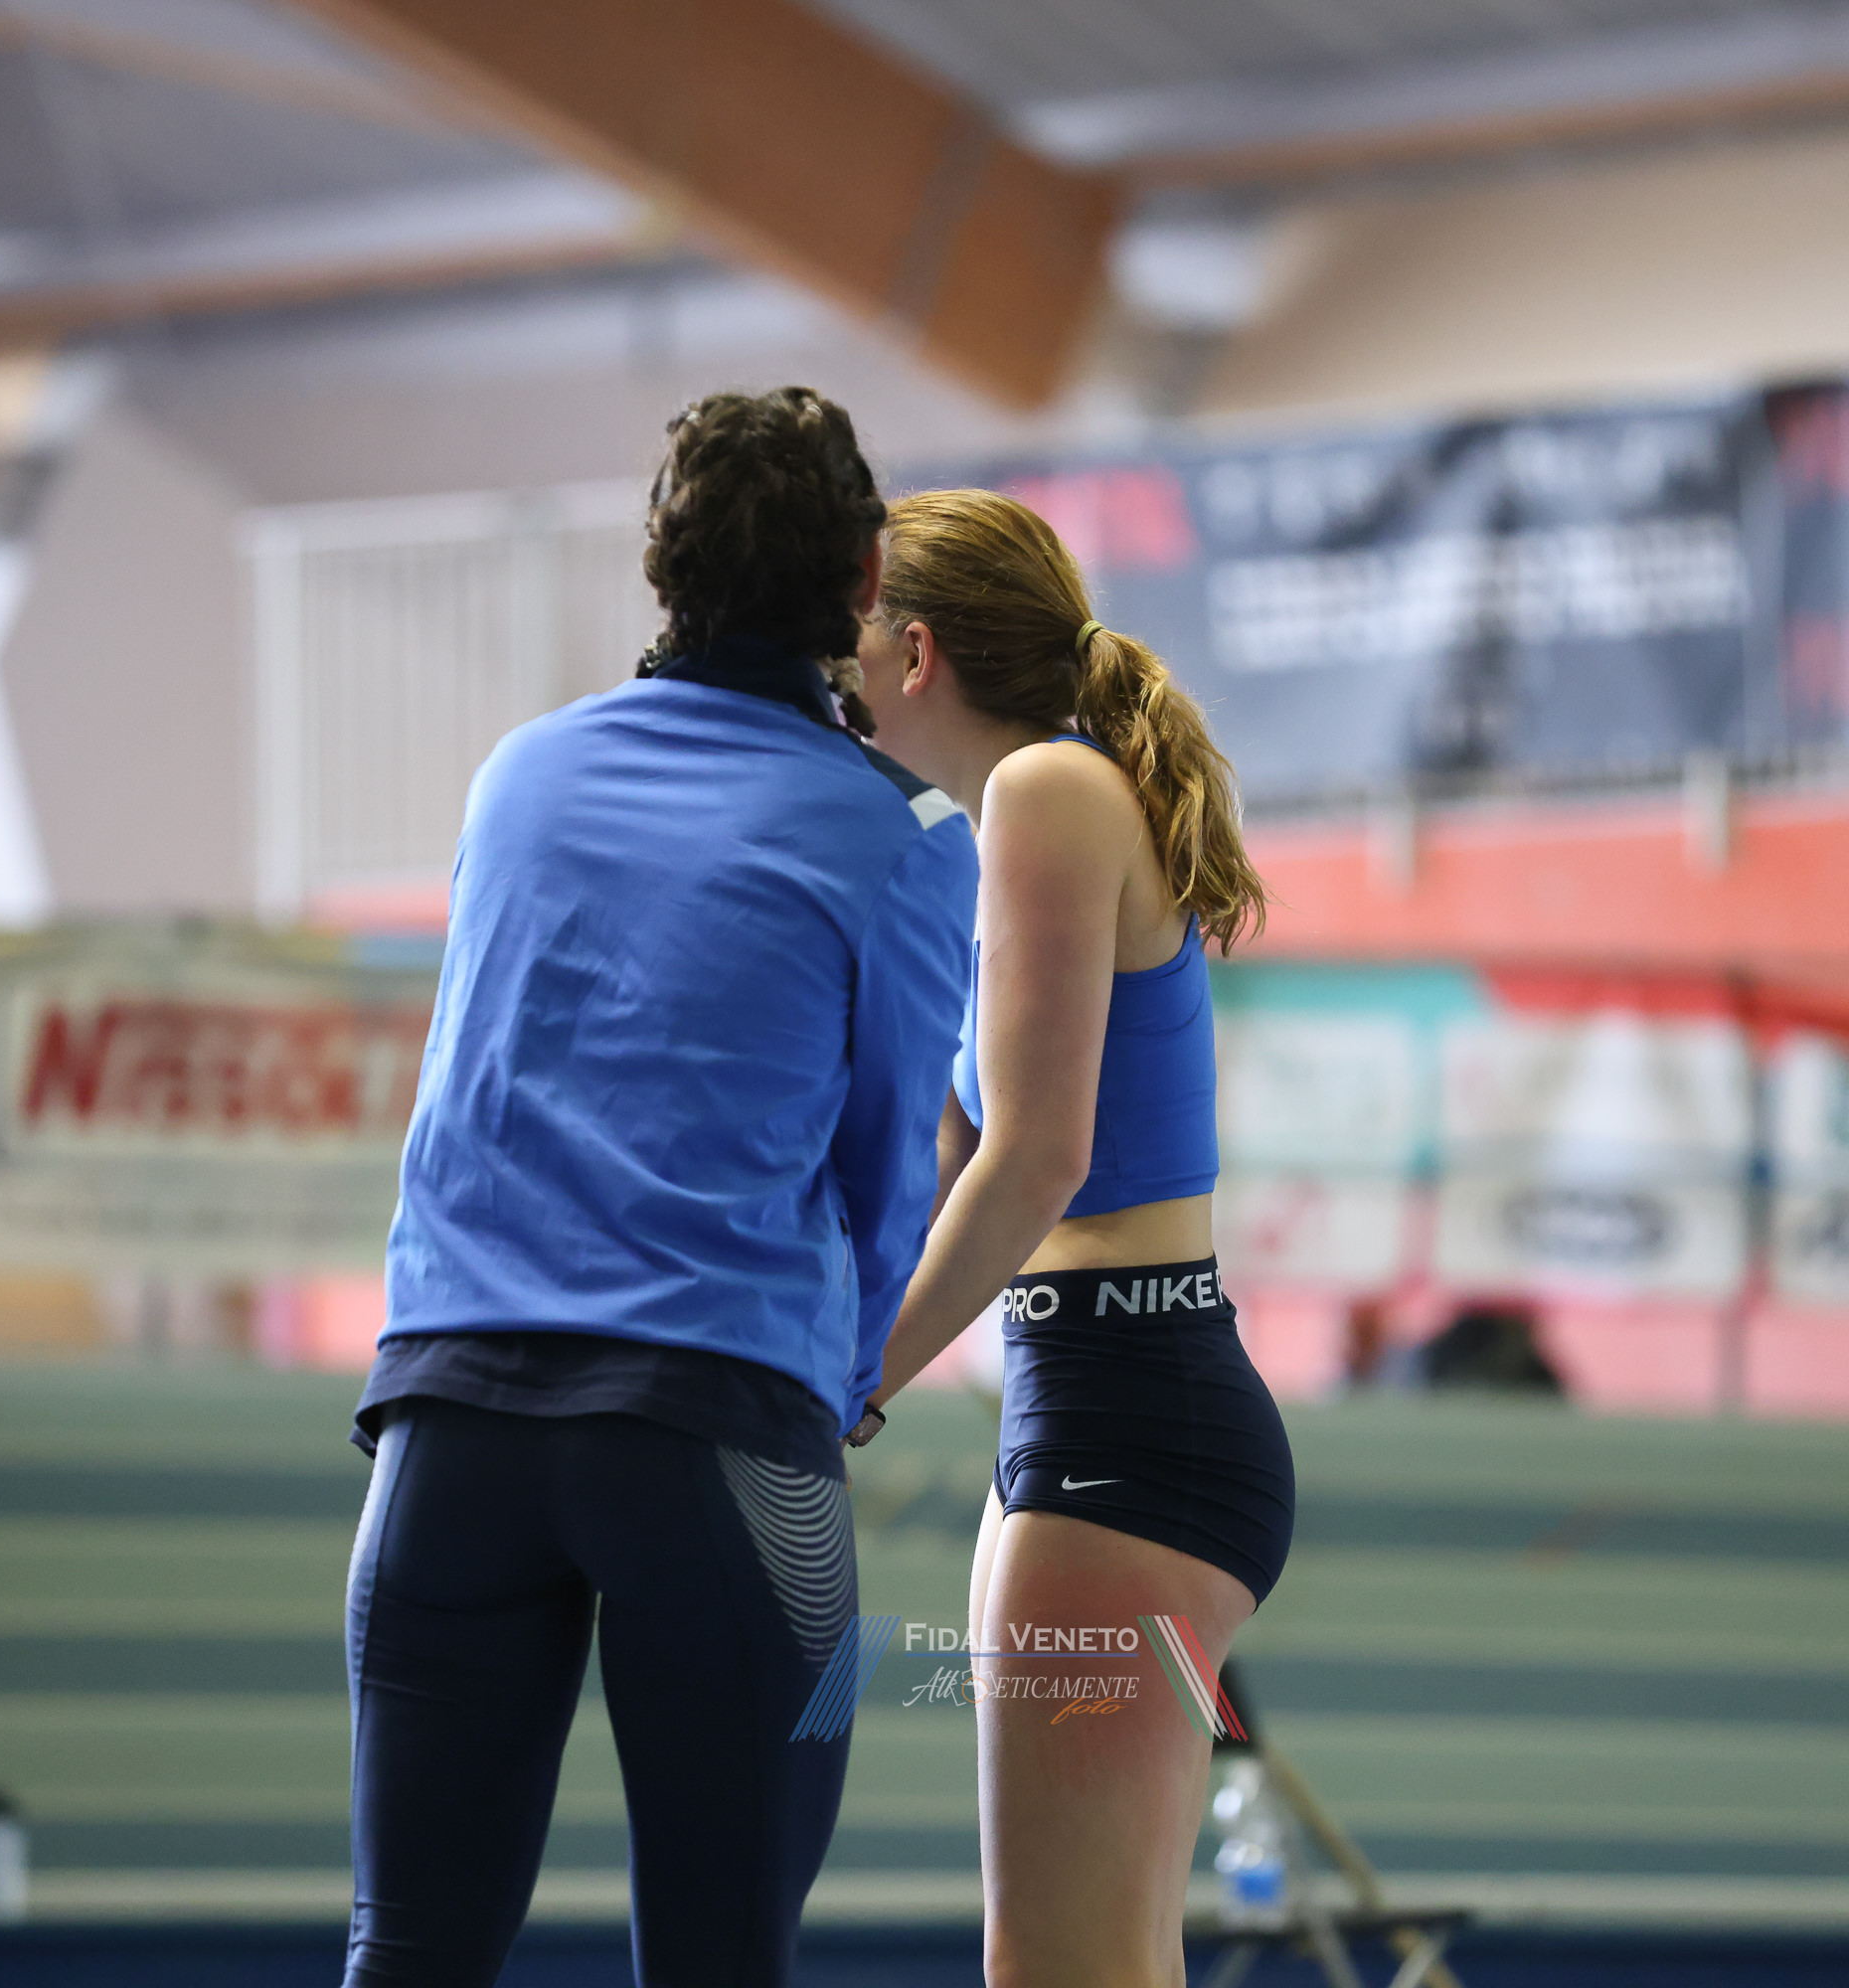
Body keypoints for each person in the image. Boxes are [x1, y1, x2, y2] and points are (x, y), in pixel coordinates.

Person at [339, 388, 978, 1988]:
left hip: (446, 1432)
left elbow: (475, 1077)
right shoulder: (907, 829)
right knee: (723, 1960)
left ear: (659, 568)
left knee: (404, 1955)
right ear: (863, 580)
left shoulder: (516, 777)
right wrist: (848, 1382)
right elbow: (891, 1169)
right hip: (727, 1440)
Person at [853, 488, 1289, 1988]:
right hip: (1090, 1410)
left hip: (1128, 1418)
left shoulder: (1050, 788)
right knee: (1090, 1962)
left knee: (1059, 1967)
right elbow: (954, 1157)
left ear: (916, 653)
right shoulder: (999, 821)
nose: (827, 676)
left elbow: (1042, 1157)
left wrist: (850, 1384)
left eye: (844, 642)